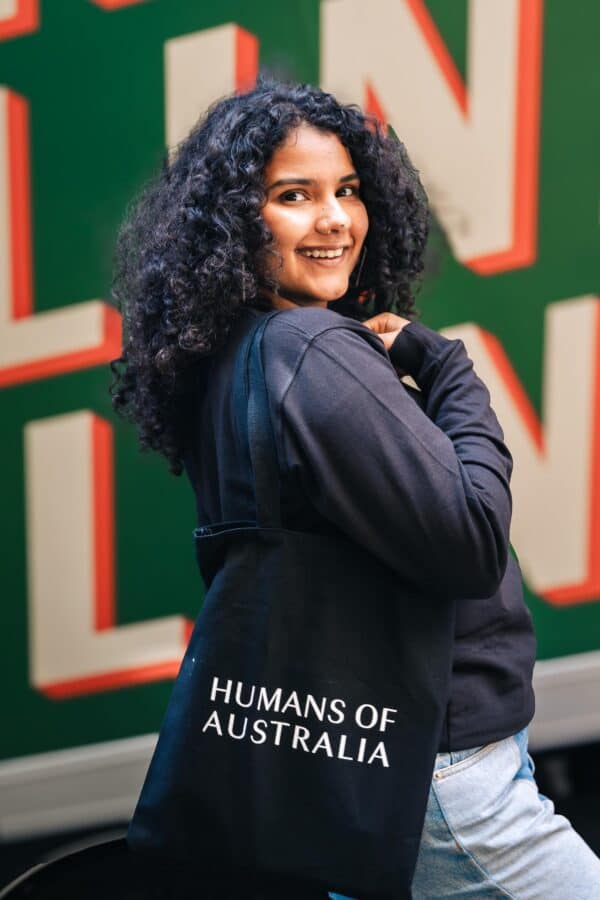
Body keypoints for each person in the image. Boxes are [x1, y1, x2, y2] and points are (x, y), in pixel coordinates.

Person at [110, 78, 600, 898]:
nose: (336, 219)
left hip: (350, 782)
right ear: (235, 220)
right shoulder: (312, 348)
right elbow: (472, 542)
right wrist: (446, 370)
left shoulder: (237, 361)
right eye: (293, 196)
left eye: (348, 191)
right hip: (437, 784)